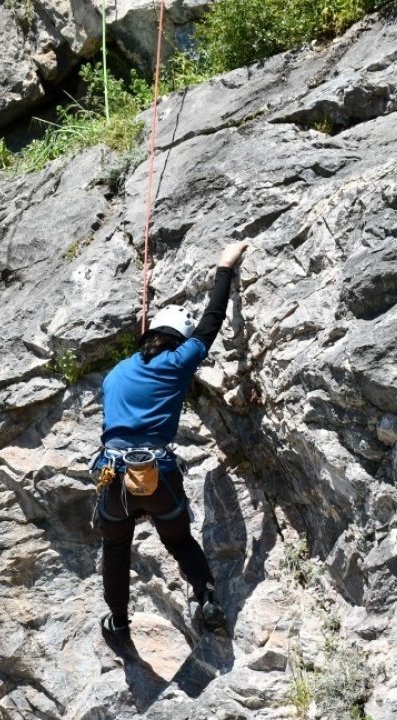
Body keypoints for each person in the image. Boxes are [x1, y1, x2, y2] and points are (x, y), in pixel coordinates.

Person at [94, 240, 248, 638]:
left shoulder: (114, 374)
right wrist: (224, 267)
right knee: (178, 539)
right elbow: (211, 322)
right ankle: (207, 596)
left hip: (114, 473)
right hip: (157, 472)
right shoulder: (177, 362)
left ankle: (118, 621)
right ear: (176, 340)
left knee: (115, 548)